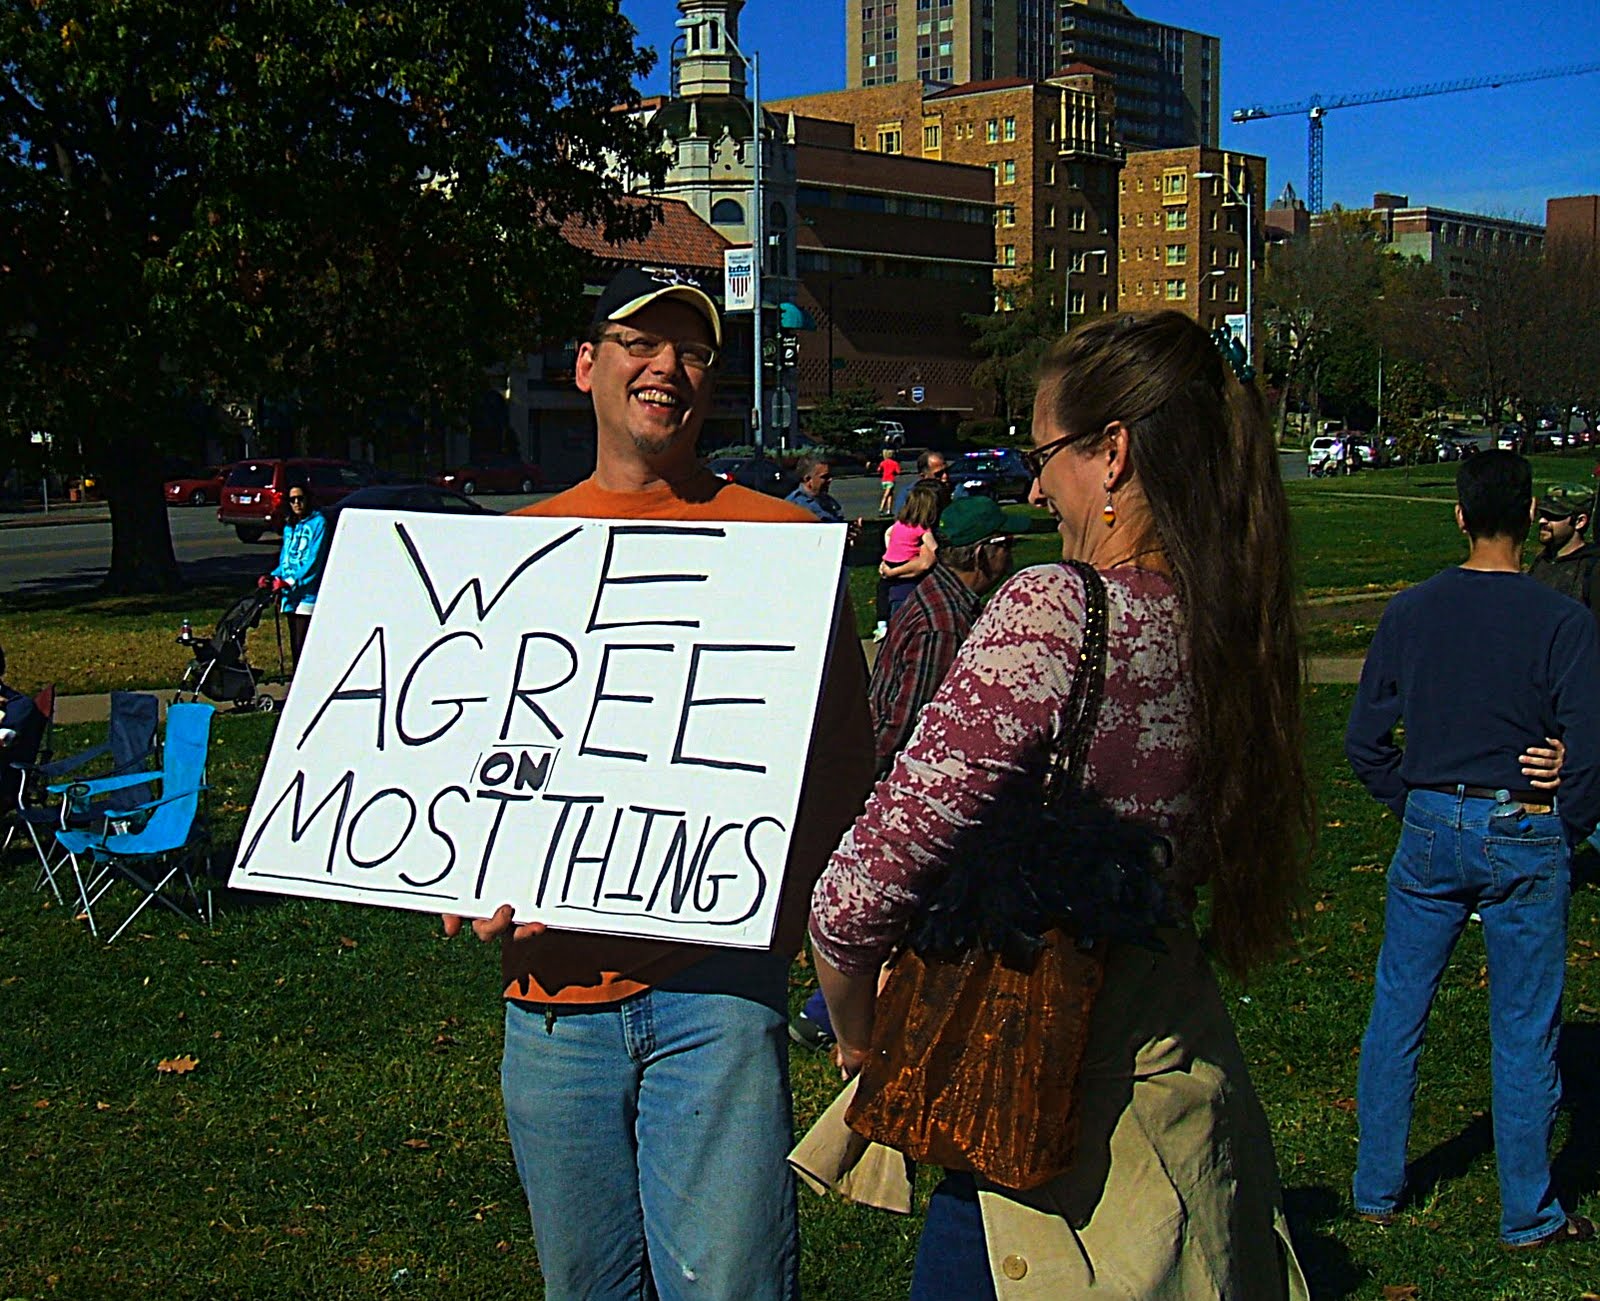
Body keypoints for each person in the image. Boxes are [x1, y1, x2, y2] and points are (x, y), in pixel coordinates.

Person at [808, 310, 1313, 1298]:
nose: (1035, 487)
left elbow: (854, 896)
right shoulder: (1233, 622)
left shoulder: (1057, 608)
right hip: (1179, 1094)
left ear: (1113, 453)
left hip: (1027, 1108)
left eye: (1046, 455)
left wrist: (860, 1032)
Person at [444, 266, 874, 1301]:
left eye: (691, 350)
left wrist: (836, 949)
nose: (666, 366)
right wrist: (456, 868)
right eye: (641, 341)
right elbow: (467, 770)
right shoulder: (512, 553)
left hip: (716, 991)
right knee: (584, 1285)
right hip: (546, 1001)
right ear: (587, 365)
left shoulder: (783, 544)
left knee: (728, 1283)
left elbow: (844, 773)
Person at [1345, 450, 1600, 1250]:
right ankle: (1527, 1211)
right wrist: (1565, 820)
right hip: (1520, 824)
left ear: (1458, 514)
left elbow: (1364, 741)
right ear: (1530, 516)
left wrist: (1411, 798)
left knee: (1398, 1009)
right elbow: (1589, 748)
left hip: (1431, 822)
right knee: (1524, 1026)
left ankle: (1376, 1186)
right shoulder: (1563, 622)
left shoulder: (1411, 610)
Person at [789, 493, 1017, 1052]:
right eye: (1006, 546)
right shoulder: (945, 624)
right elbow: (913, 721)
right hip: (901, 791)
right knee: (901, 907)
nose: (1012, 555)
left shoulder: (938, 598)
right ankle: (827, 1015)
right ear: (985, 554)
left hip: (881, 778)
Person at [259, 485, 326, 668]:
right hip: (288, 593)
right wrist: (272, 576)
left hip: (307, 594)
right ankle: (298, 680)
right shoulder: (290, 527)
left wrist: (290, 581)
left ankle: (306, 680)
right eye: (292, 499)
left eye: (300, 498)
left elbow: (313, 560)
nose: (297, 503)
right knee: (295, 645)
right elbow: (285, 559)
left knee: (303, 641)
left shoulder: (318, 523)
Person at [871, 480, 941, 641]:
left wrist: (890, 549)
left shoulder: (899, 524)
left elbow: (887, 533)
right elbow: (933, 549)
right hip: (906, 564)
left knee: (883, 590)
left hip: (890, 560)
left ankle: (882, 624)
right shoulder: (922, 529)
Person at [1528, 483, 1600, 627]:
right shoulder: (1542, 560)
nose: (1542, 521)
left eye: (1553, 516)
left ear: (1580, 522)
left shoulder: (1592, 570)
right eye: (1542, 514)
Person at [786, 456, 863, 547]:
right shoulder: (793, 506)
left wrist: (849, 532)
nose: (830, 480)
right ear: (808, 479)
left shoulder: (829, 501)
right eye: (824, 477)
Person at [892, 447, 951, 515]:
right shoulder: (909, 495)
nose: (945, 477)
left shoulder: (957, 490)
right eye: (938, 474)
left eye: (947, 471)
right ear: (923, 476)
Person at [876, 446, 901, 516]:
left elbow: (879, 470)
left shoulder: (883, 463)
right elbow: (898, 472)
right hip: (890, 480)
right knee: (886, 495)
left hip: (884, 480)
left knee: (890, 495)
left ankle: (889, 510)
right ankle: (881, 508)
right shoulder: (895, 463)